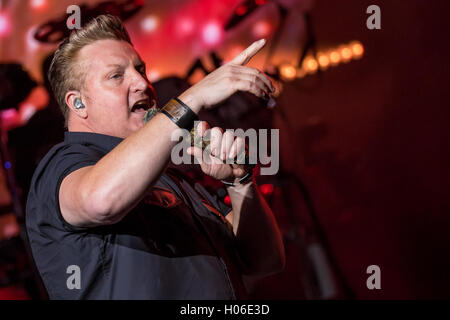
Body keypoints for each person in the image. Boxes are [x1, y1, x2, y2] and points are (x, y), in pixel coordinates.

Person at [25, 14, 285, 299]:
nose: (141, 83)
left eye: (140, 70)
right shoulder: (63, 164)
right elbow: (101, 201)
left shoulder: (172, 177)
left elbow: (263, 261)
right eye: (116, 76)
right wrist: (193, 98)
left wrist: (241, 183)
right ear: (78, 102)